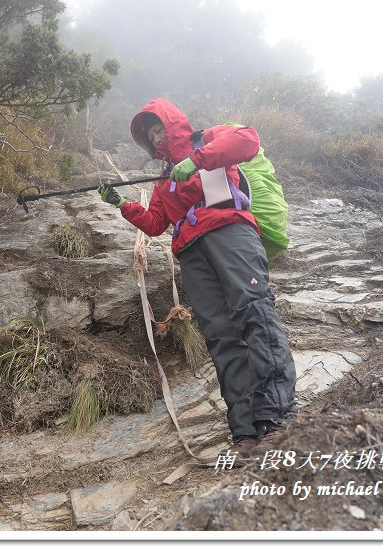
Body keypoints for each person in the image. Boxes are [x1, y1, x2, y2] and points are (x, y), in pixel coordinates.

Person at [98, 98, 297, 457]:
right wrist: (121, 205)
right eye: (151, 136)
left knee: (254, 313)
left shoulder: (207, 141)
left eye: (159, 128)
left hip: (230, 232)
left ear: (173, 123)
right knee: (221, 337)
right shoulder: (164, 181)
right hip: (191, 253)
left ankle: (278, 420)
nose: (157, 138)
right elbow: (156, 224)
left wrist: (197, 159)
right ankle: (245, 434)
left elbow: (248, 140)